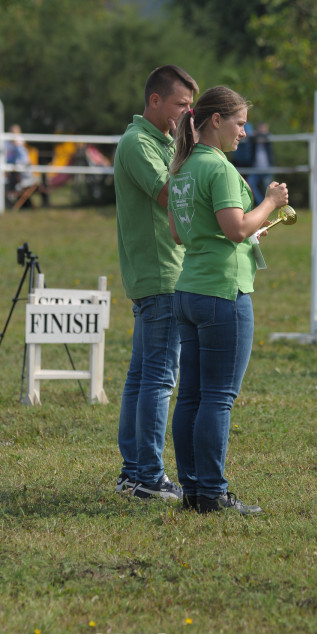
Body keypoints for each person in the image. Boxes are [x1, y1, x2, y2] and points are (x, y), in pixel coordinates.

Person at [168, 86, 289, 514]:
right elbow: (236, 228)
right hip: (223, 293)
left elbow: (182, 233)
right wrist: (270, 204)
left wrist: (250, 229)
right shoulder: (218, 168)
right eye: (239, 123)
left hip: (189, 290)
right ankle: (213, 494)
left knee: (191, 398)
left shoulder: (181, 166)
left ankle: (193, 491)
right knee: (217, 398)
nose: (244, 132)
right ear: (216, 121)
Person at [114, 64, 199, 501]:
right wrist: (195, 152)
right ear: (155, 101)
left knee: (142, 376)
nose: (187, 114)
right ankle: (147, 475)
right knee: (160, 379)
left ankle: (133, 471)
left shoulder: (161, 141)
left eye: (191, 106)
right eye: (182, 105)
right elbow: (170, 193)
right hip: (161, 275)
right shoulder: (138, 143)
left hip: (160, 273)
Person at [246, 122, 275, 205]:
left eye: (263, 129)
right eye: (260, 129)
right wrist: (256, 135)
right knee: (250, 184)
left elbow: (267, 136)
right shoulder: (254, 141)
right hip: (256, 169)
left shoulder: (268, 139)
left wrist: (260, 135)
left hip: (267, 168)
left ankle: (269, 204)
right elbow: (249, 137)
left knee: (268, 187)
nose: (261, 132)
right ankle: (261, 203)